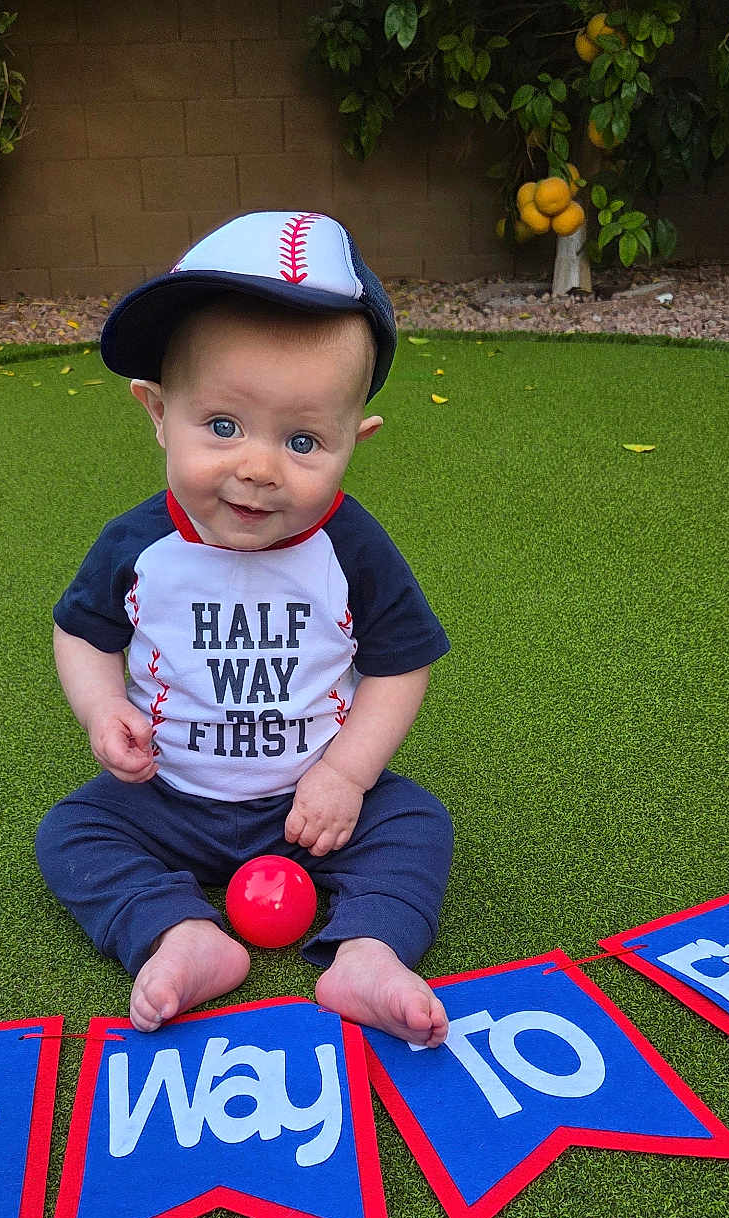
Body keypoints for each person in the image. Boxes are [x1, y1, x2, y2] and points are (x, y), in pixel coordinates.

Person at [36, 210, 452, 1048]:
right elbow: (82, 633)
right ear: (157, 411)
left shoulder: (350, 547)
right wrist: (101, 709)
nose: (258, 468)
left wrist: (346, 774)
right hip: (170, 796)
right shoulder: (137, 544)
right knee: (71, 831)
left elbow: (401, 665)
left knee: (418, 823)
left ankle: (367, 953)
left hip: (311, 803)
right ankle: (179, 934)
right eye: (221, 427)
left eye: (304, 441)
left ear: (353, 443)